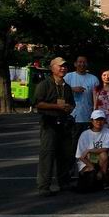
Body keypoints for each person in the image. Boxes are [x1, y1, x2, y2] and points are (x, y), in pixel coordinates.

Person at [33, 57, 75, 196]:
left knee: (65, 155)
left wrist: (69, 107)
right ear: (52, 68)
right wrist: (57, 107)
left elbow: (72, 103)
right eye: (60, 66)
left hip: (64, 124)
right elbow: (38, 104)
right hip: (49, 123)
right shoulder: (44, 84)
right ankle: (44, 187)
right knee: (47, 155)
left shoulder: (66, 87)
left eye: (65, 66)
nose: (63, 68)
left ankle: (64, 183)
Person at [64, 55, 100, 151]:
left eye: (84, 62)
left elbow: (97, 98)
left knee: (87, 144)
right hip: (72, 117)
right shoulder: (68, 77)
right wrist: (72, 89)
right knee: (72, 144)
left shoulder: (93, 79)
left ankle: (86, 160)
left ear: (87, 64)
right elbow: (61, 92)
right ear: (75, 64)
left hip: (88, 117)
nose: (82, 64)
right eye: (80, 62)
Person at [75, 109, 109, 192]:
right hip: (87, 161)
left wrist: (89, 150)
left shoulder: (108, 132)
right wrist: (92, 168)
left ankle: (103, 178)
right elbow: (80, 156)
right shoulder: (84, 134)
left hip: (100, 160)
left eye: (101, 119)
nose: (99, 122)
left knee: (104, 155)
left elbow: (106, 148)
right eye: (96, 120)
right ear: (92, 121)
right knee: (90, 177)